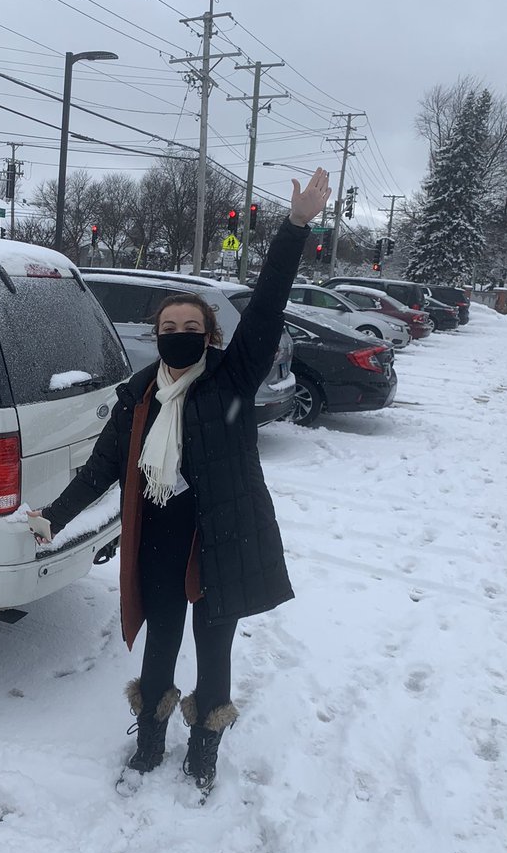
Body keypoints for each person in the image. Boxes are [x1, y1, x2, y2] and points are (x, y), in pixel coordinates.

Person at [29, 169, 331, 795]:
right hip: (162, 540)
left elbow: (269, 302)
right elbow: (103, 467)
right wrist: (54, 516)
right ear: (157, 334)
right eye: (170, 329)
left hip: (221, 538)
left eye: (192, 330)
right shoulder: (139, 395)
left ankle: (204, 747)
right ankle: (149, 742)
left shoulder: (231, 380)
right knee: (161, 640)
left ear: (210, 337)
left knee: (213, 645)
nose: (180, 337)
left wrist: (295, 226)